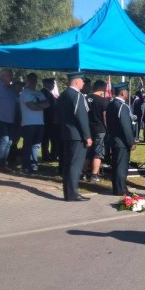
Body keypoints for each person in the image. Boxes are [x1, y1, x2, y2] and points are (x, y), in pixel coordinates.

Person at [58, 72, 93, 201]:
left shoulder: (63, 95)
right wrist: (87, 136)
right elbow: (82, 117)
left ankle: (68, 192)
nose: (84, 83)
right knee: (75, 165)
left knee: (68, 164)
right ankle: (73, 193)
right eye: (82, 81)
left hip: (66, 133)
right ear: (76, 82)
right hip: (77, 135)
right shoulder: (77, 96)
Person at [105, 82, 135, 196]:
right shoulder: (122, 106)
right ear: (123, 92)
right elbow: (126, 127)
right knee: (121, 167)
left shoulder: (111, 105)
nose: (128, 93)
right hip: (122, 141)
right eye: (127, 91)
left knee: (116, 165)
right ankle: (121, 189)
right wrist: (131, 142)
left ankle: (117, 188)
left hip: (114, 139)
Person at [19, 73, 50, 174]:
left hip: (39, 122)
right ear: (27, 80)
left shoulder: (39, 93)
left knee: (36, 145)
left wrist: (37, 105)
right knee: (28, 144)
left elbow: (48, 104)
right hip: (28, 122)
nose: (33, 81)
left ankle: (34, 164)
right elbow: (31, 106)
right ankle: (25, 165)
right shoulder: (24, 93)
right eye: (31, 79)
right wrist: (40, 106)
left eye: (35, 79)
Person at [85, 80, 109, 182]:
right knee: (98, 152)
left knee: (87, 151)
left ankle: (83, 173)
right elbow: (105, 117)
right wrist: (108, 129)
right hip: (100, 129)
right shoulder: (103, 101)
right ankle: (94, 174)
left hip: (87, 128)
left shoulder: (85, 99)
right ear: (103, 88)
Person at [40, 78, 59, 162]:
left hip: (49, 120)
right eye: (52, 84)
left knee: (50, 139)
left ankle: (51, 155)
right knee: (47, 139)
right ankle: (47, 155)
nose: (53, 85)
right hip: (48, 120)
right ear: (46, 83)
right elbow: (48, 107)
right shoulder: (44, 92)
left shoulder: (47, 93)